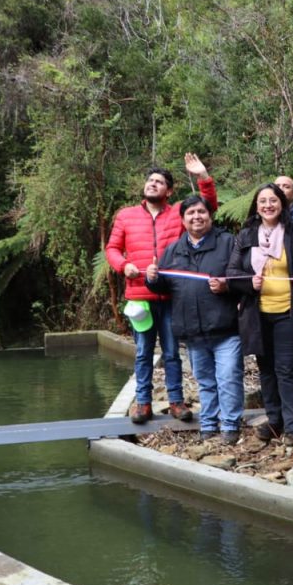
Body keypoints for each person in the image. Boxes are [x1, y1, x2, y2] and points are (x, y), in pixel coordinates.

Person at [106, 153, 218, 424]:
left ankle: (176, 401)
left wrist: (203, 176)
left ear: (168, 191)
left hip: (171, 295)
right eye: (150, 180)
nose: (152, 184)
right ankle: (143, 403)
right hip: (139, 297)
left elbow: (207, 206)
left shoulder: (178, 214)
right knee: (143, 352)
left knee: (171, 352)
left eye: (159, 182)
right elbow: (112, 249)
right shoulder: (126, 215)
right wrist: (123, 266)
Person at [145, 196, 243, 445]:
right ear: (183, 220)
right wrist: (152, 278)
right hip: (193, 331)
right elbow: (162, 286)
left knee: (228, 378)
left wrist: (227, 285)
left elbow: (243, 277)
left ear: (210, 215)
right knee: (205, 381)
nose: (196, 217)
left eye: (201, 212)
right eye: (190, 213)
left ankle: (230, 425)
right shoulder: (174, 249)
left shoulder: (227, 242)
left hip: (225, 327)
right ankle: (208, 424)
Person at [227, 183, 293, 446]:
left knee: (287, 369)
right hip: (257, 315)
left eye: (273, 200)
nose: (268, 205)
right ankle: (274, 420)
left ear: (282, 203)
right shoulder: (246, 235)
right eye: (263, 201)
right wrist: (249, 282)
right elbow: (232, 272)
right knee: (266, 369)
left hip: (287, 313)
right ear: (256, 207)